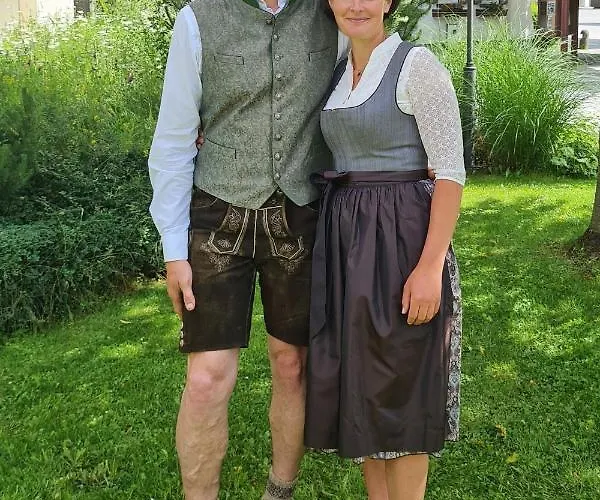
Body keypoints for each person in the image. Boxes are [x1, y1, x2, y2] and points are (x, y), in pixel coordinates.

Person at [148, 1, 346, 498]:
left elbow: (362, 95)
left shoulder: (332, 12)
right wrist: (174, 250)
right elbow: (173, 139)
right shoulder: (198, 18)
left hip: (301, 214)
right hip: (217, 215)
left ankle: (280, 490)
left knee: (292, 364)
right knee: (207, 377)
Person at [304, 0, 465, 499]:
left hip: (402, 244)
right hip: (349, 247)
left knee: (403, 392)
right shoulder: (336, 71)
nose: (356, 4)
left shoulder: (417, 66)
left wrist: (430, 268)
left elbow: (450, 173)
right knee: (365, 394)